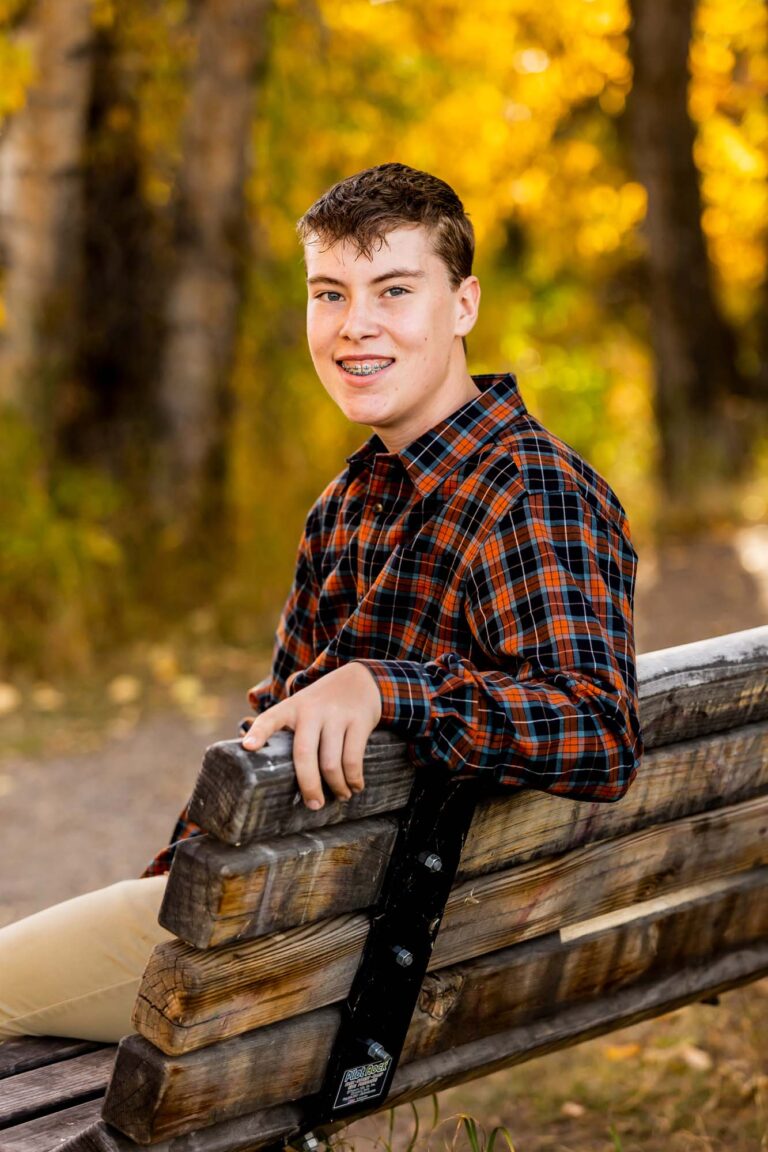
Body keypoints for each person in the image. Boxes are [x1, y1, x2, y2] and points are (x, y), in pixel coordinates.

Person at [0, 163, 643, 1044]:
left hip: (342, 963)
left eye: (394, 290)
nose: (354, 327)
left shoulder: (530, 492)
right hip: (309, 933)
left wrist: (389, 688)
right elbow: (264, 742)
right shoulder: (348, 503)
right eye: (329, 294)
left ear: (463, 305)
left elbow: (599, 730)